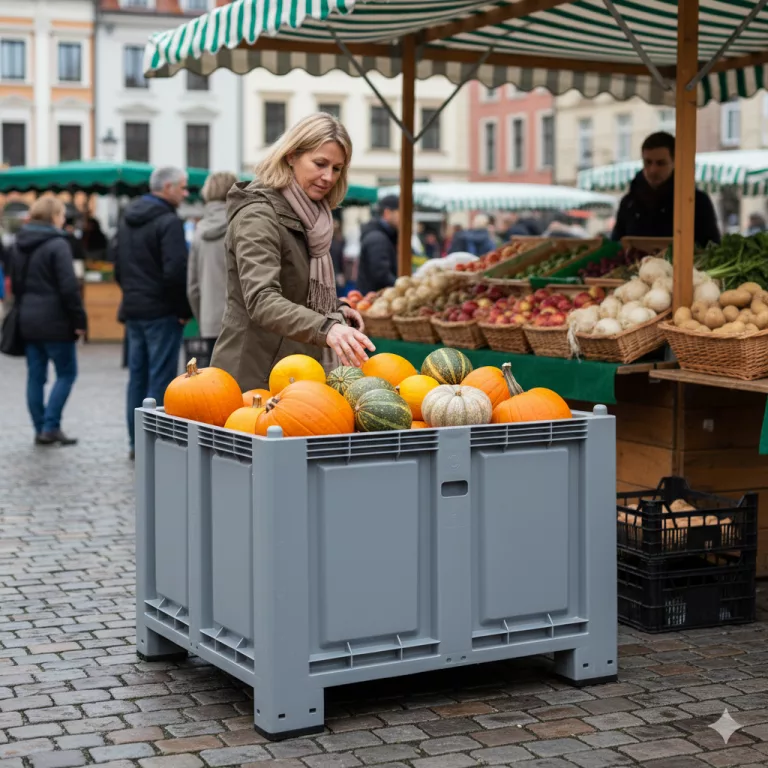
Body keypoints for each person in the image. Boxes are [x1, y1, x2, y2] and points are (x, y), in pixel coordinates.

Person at [210, 113, 375, 391]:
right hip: (253, 373)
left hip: (295, 370)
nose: (328, 177)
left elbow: (301, 293)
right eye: (320, 164)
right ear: (290, 156)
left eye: (337, 169)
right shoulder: (258, 216)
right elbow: (262, 299)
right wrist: (327, 328)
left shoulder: (314, 217)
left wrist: (338, 310)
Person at [114, 166, 191, 458]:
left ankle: (136, 441)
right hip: (161, 310)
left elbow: (118, 266)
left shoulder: (127, 219)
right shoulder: (168, 221)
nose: (185, 193)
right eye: (183, 188)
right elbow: (176, 271)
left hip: (135, 308)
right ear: (168, 187)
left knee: (137, 376)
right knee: (160, 376)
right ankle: (153, 441)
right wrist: (183, 309)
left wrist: (132, 294)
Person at [10, 197, 87, 445]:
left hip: (28, 318)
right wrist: (79, 320)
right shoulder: (57, 244)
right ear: (53, 215)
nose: (64, 218)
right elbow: (68, 287)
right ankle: (50, 426)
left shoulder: (18, 243)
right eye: (62, 213)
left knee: (36, 376)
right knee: (67, 373)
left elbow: (16, 284)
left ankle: (39, 428)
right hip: (56, 320)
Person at [611, 132, 721, 247]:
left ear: (675, 162)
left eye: (661, 163)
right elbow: (615, 246)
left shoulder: (696, 202)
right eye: (648, 162)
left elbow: (712, 246)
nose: (653, 170)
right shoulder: (629, 203)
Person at [187, 171, 238, 346]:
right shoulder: (243, 223)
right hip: (242, 322)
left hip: (210, 322)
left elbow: (193, 287)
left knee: (212, 373)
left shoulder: (199, 230)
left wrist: (203, 319)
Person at [356, 195, 399, 295]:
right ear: (387, 213)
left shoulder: (383, 235)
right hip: (374, 299)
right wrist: (401, 286)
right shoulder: (377, 238)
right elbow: (381, 274)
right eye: (401, 212)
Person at [330, 219, 347, 295]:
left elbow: (340, 259)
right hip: (331, 271)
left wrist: (341, 273)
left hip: (336, 271)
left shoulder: (340, 240)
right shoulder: (325, 241)